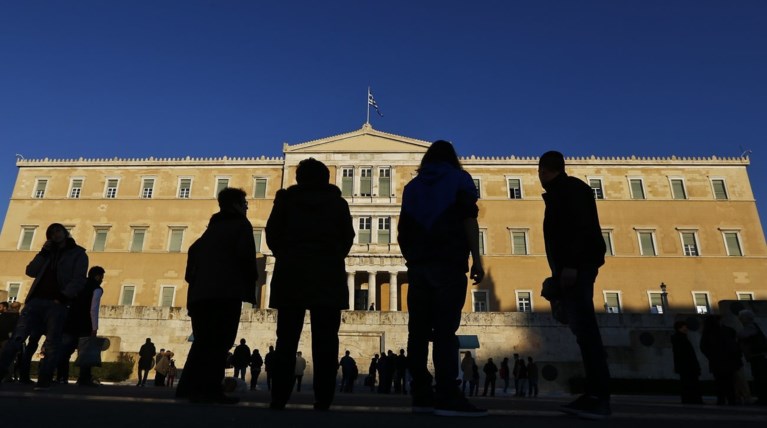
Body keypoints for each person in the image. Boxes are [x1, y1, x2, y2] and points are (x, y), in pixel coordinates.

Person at [398, 140, 486, 417]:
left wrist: (412, 259)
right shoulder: (460, 180)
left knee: (418, 333)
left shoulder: (412, 187)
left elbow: (403, 230)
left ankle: (421, 393)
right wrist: (477, 259)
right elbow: (468, 220)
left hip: (419, 266)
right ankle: (447, 393)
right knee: (445, 332)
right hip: (449, 263)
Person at [265, 158, 355, 411]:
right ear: (326, 179)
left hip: (291, 273)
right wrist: (333, 255)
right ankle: (323, 398)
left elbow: (271, 233)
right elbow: (347, 236)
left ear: (299, 178)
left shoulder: (285, 201)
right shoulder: (337, 203)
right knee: (326, 340)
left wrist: (285, 254)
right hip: (327, 274)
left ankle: (279, 397)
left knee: (286, 339)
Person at [538, 151, 611, 419]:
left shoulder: (570, 191)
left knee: (587, 332)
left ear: (544, 171)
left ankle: (599, 397)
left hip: (576, 268)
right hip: (571, 268)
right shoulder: (564, 191)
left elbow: (580, 229)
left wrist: (571, 265)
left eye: (540, 172)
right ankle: (593, 393)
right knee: (583, 333)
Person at [175, 187, 258, 404]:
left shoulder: (208, 233)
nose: (246, 207)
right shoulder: (240, 225)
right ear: (236, 205)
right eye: (244, 203)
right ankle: (211, 390)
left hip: (200, 296)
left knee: (202, 342)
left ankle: (186, 389)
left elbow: (190, 268)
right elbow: (246, 259)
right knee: (220, 343)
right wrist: (250, 288)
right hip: (225, 293)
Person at [0, 223, 88, 389]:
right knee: (16, 339)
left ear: (65, 233)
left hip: (57, 303)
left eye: (58, 231)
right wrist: (43, 252)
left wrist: (63, 297)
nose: (56, 234)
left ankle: (44, 379)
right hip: (35, 301)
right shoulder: (48, 253)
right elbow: (31, 271)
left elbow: (79, 279)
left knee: (52, 343)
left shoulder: (78, 253)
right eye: (52, 233)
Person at [56, 266, 105, 386]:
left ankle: (61, 377)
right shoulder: (97, 289)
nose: (102, 279)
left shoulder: (79, 285)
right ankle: (84, 378)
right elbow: (93, 309)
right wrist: (94, 328)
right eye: (102, 277)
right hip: (85, 324)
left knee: (65, 351)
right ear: (98, 276)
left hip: (71, 321)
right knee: (84, 352)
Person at [700, 314, 742, 405]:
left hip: (719, 361)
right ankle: (730, 399)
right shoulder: (726, 331)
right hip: (725, 360)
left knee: (720, 382)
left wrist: (711, 356)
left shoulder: (709, 332)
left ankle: (723, 399)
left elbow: (703, 347)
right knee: (728, 382)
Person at [737, 309, 767, 405]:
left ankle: (762, 397)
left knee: (759, 377)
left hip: (757, 356)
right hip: (757, 356)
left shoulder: (750, 327)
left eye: (742, 318)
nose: (740, 320)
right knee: (759, 377)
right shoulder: (754, 327)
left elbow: (742, 335)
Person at [671, 321, 704, 404]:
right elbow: (686, 354)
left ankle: (689, 399)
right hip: (687, 366)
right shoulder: (680, 339)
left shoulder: (680, 338)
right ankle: (692, 399)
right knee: (690, 383)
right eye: (683, 327)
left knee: (687, 383)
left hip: (686, 366)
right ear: (679, 328)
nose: (686, 328)